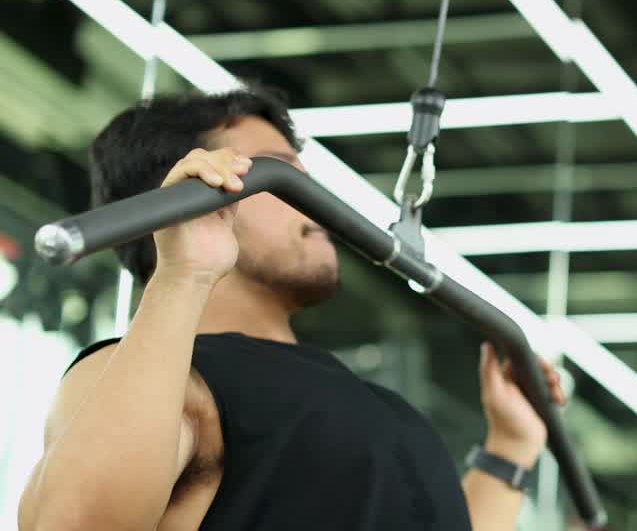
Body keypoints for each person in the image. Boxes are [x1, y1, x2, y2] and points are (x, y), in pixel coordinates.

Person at [17, 86, 565, 531]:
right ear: (197, 192)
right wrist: (185, 274)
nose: (311, 199)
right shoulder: (173, 382)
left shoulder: (374, 410)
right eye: (278, 171)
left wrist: (509, 448)